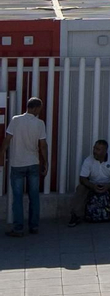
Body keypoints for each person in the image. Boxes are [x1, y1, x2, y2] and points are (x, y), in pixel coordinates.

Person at [3, 97, 49, 237]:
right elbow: (43, 145)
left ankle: (18, 228)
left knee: (17, 198)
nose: (39, 112)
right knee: (34, 196)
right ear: (35, 108)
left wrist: (1, 154)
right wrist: (45, 162)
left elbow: (7, 140)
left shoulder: (15, 120)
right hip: (33, 163)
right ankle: (34, 226)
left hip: (17, 163)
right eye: (39, 109)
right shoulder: (40, 123)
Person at [69, 139, 110, 226]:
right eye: (94, 148)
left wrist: (108, 186)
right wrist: (92, 186)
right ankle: (76, 215)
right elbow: (82, 178)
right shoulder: (88, 160)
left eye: (98, 149)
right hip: (92, 183)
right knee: (80, 188)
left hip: (109, 183)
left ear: (105, 151)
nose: (94, 151)